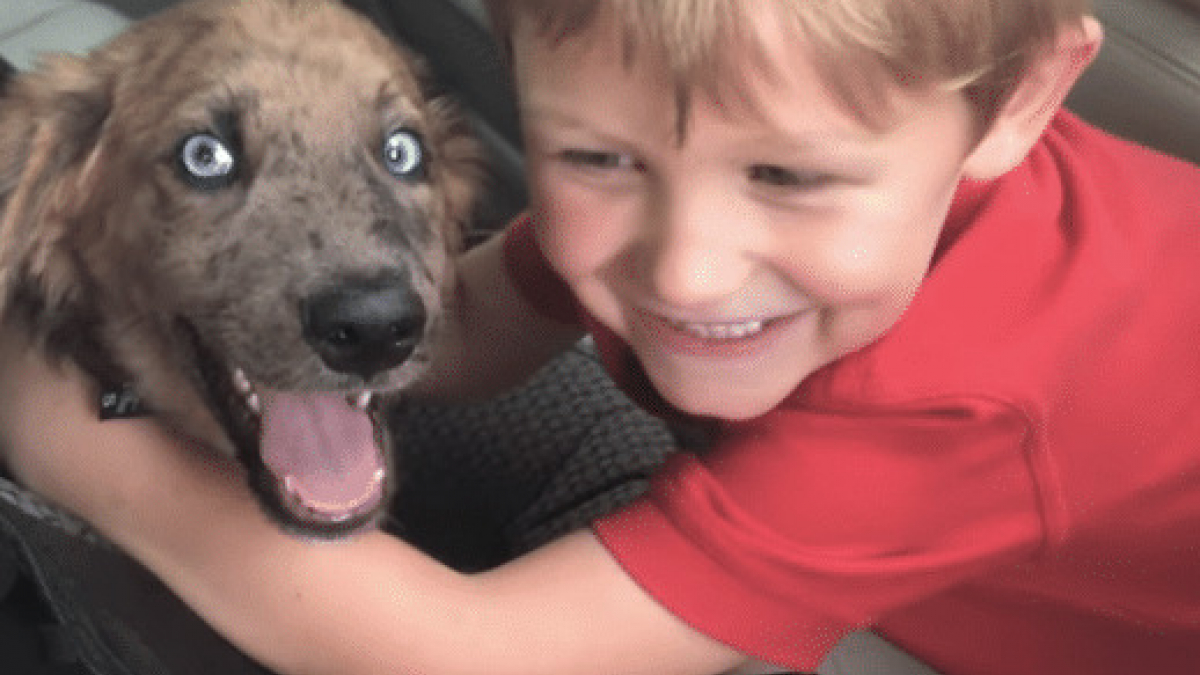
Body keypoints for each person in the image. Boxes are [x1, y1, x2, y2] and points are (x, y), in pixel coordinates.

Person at [3, 1, 1200, 674]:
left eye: (787, 175)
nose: (680, 269)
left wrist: (79, 448)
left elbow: (470, 661)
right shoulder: (744, 179)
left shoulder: (975, 397)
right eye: (596, 159)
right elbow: (467, 323)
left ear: (1020, 104)